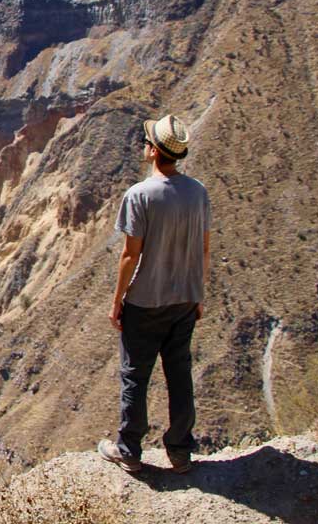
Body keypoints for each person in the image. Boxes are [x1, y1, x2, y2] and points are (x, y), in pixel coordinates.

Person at [97, 114, 210, 475]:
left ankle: (129, 449)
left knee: (135, 374)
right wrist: (199, 295)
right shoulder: (199, 192)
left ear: (152, 151)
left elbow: (131, 255)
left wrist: (117, 302)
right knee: (179, 372)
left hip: (146, 301)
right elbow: (204, 250)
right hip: (185, 298)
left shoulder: (140, 195)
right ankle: (180, 451)